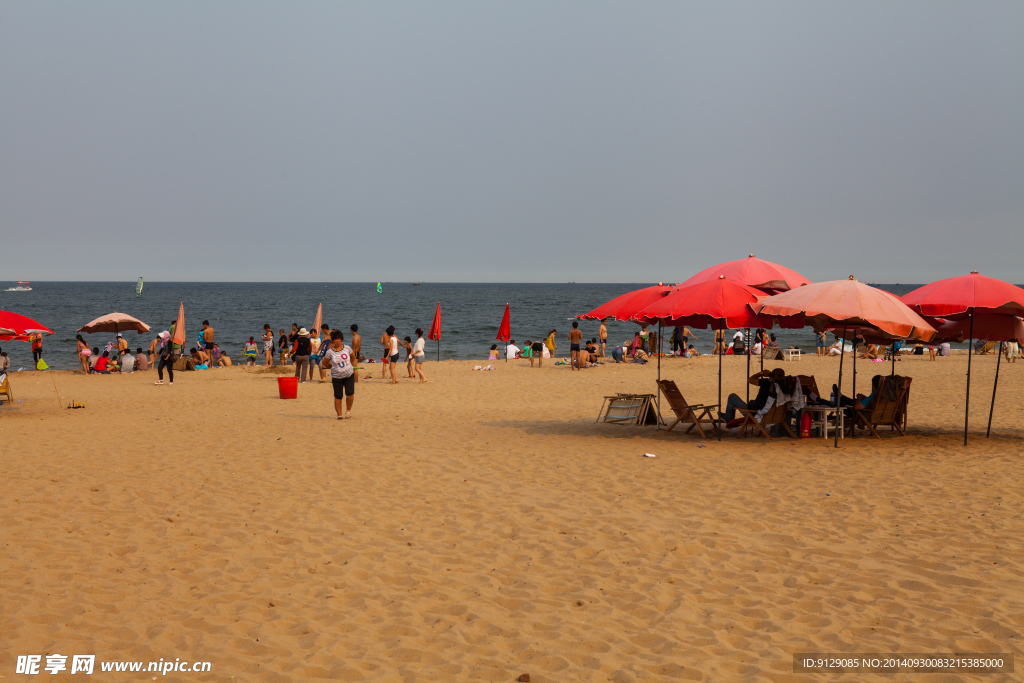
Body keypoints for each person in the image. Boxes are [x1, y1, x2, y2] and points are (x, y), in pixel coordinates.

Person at [720, 368, 785, 422]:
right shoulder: (783, 387)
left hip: (753, 414)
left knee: (732, 396)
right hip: (770, 416)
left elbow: (750, 380)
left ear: (775, 375)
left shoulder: (767, 383)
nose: (769, 376)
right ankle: (728, 416)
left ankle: (728, 418)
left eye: (771, 375)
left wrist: (761, 373)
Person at [321, 330, 355, 419]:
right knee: (338, 396)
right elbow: (325, 363)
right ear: (333, 340)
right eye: (335, 339)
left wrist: (348, 365)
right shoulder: (329, 352)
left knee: (350, 394)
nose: (337, 341)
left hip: (349, 375)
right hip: (337, 377)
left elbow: (353, 357)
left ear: (342, 339)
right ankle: (339, 415)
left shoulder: (347, 348)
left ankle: (348, 411)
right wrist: (332, 368)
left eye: (339, 339)